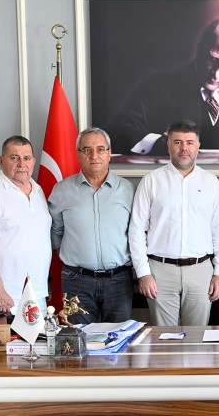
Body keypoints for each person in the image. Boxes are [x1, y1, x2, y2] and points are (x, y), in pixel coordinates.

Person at [109, 15, 219, 155]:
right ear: (200, 48)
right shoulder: (157, 88)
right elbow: (119, 131)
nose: (216, 74)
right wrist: (161, 143)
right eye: (213, 60)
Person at [128, 120, 219, 326]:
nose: (184, 148)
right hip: (159, 272)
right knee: (163, 339)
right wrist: (143, 274)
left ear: (198, 146)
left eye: (190, 143)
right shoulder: (151, 181)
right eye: (178, 142)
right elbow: (136, 230)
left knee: (197, 339)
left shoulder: (211, 182)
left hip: (201, 271)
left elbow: (218, 232)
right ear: (168, 145)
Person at [48, 128, 136, 324]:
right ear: (78, 154)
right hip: (77, 281)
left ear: (109, 153)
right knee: (78, 338)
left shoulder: (128, 190)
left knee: (118, 338)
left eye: (100, 149)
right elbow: (56, 232)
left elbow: (136, 233)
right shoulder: (62, 190)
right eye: (87, 150)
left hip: (119, 281)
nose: (94, 155)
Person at [0, 136, 51, 313]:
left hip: (36, 295)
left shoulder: (38, 191)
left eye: (26, 158)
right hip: (4, 299)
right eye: (14, 158)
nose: (22, 164)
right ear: (1, 160)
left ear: (33, 161)